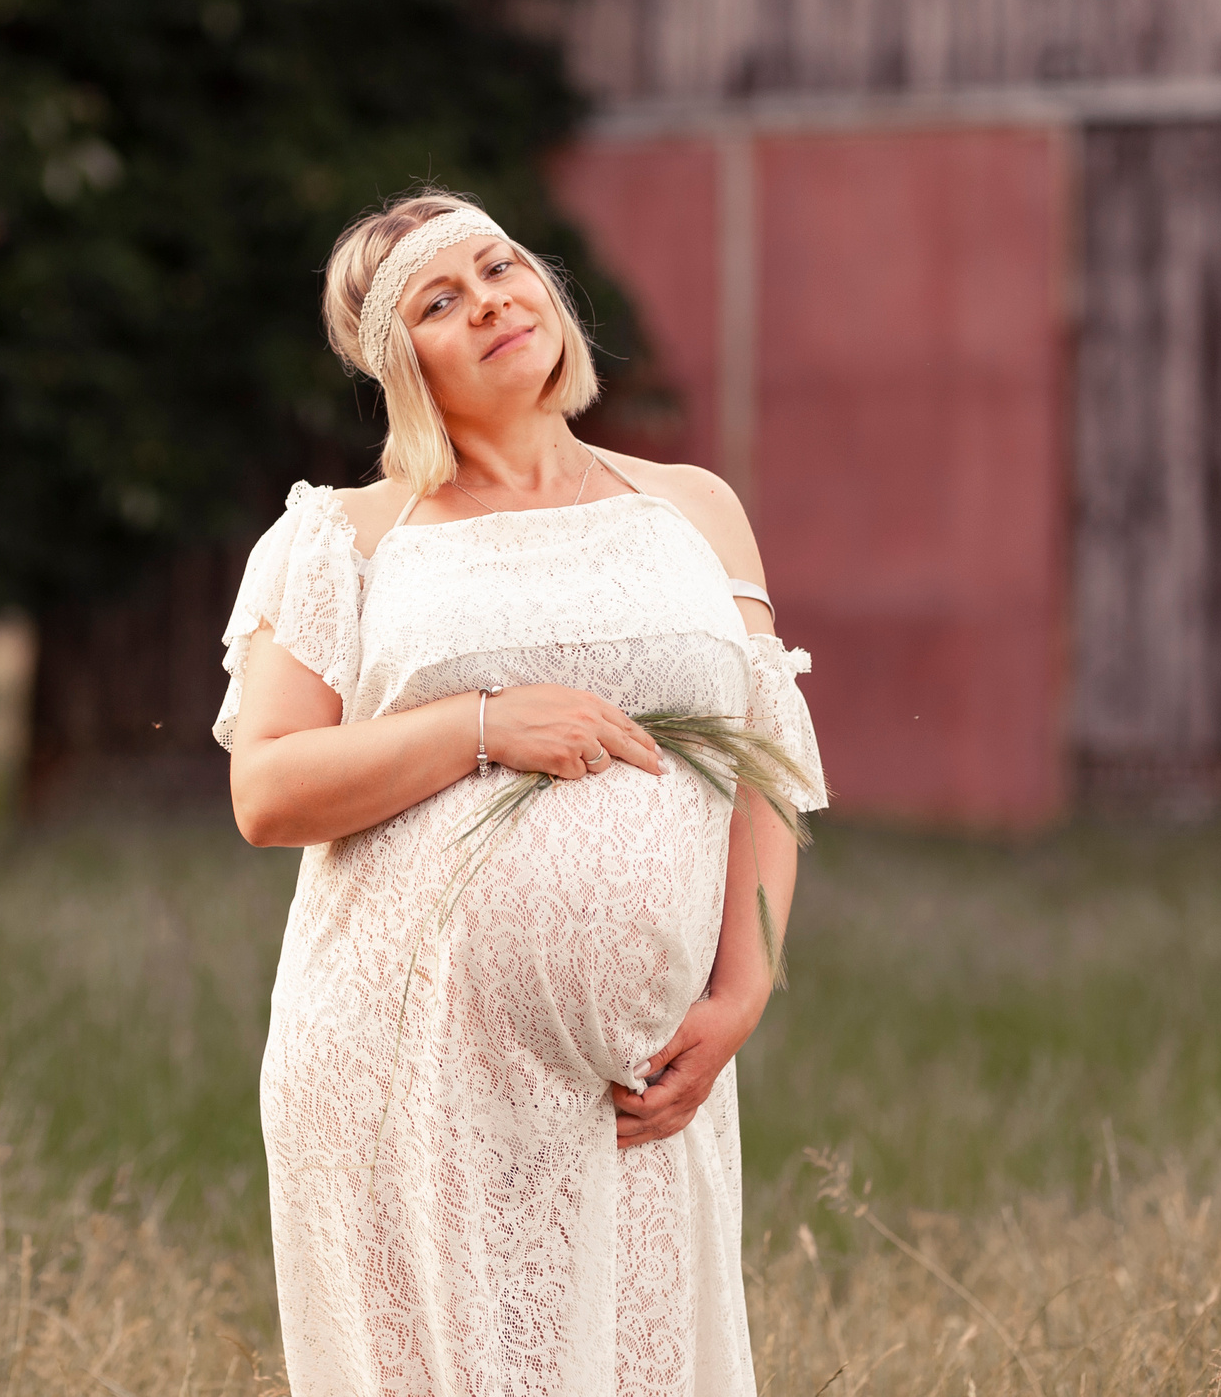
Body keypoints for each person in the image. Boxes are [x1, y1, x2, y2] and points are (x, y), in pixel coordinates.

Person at [215, 189, 826, 1397]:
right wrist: (480, 727)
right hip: (407, 1073)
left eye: (500, 268)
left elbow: (762, 759)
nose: (491, 299)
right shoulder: (344, 540)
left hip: (634, 1077)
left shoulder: (691, 508)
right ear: (401, 365)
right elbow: (269, 792)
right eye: (441, 300)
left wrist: (744, 987)